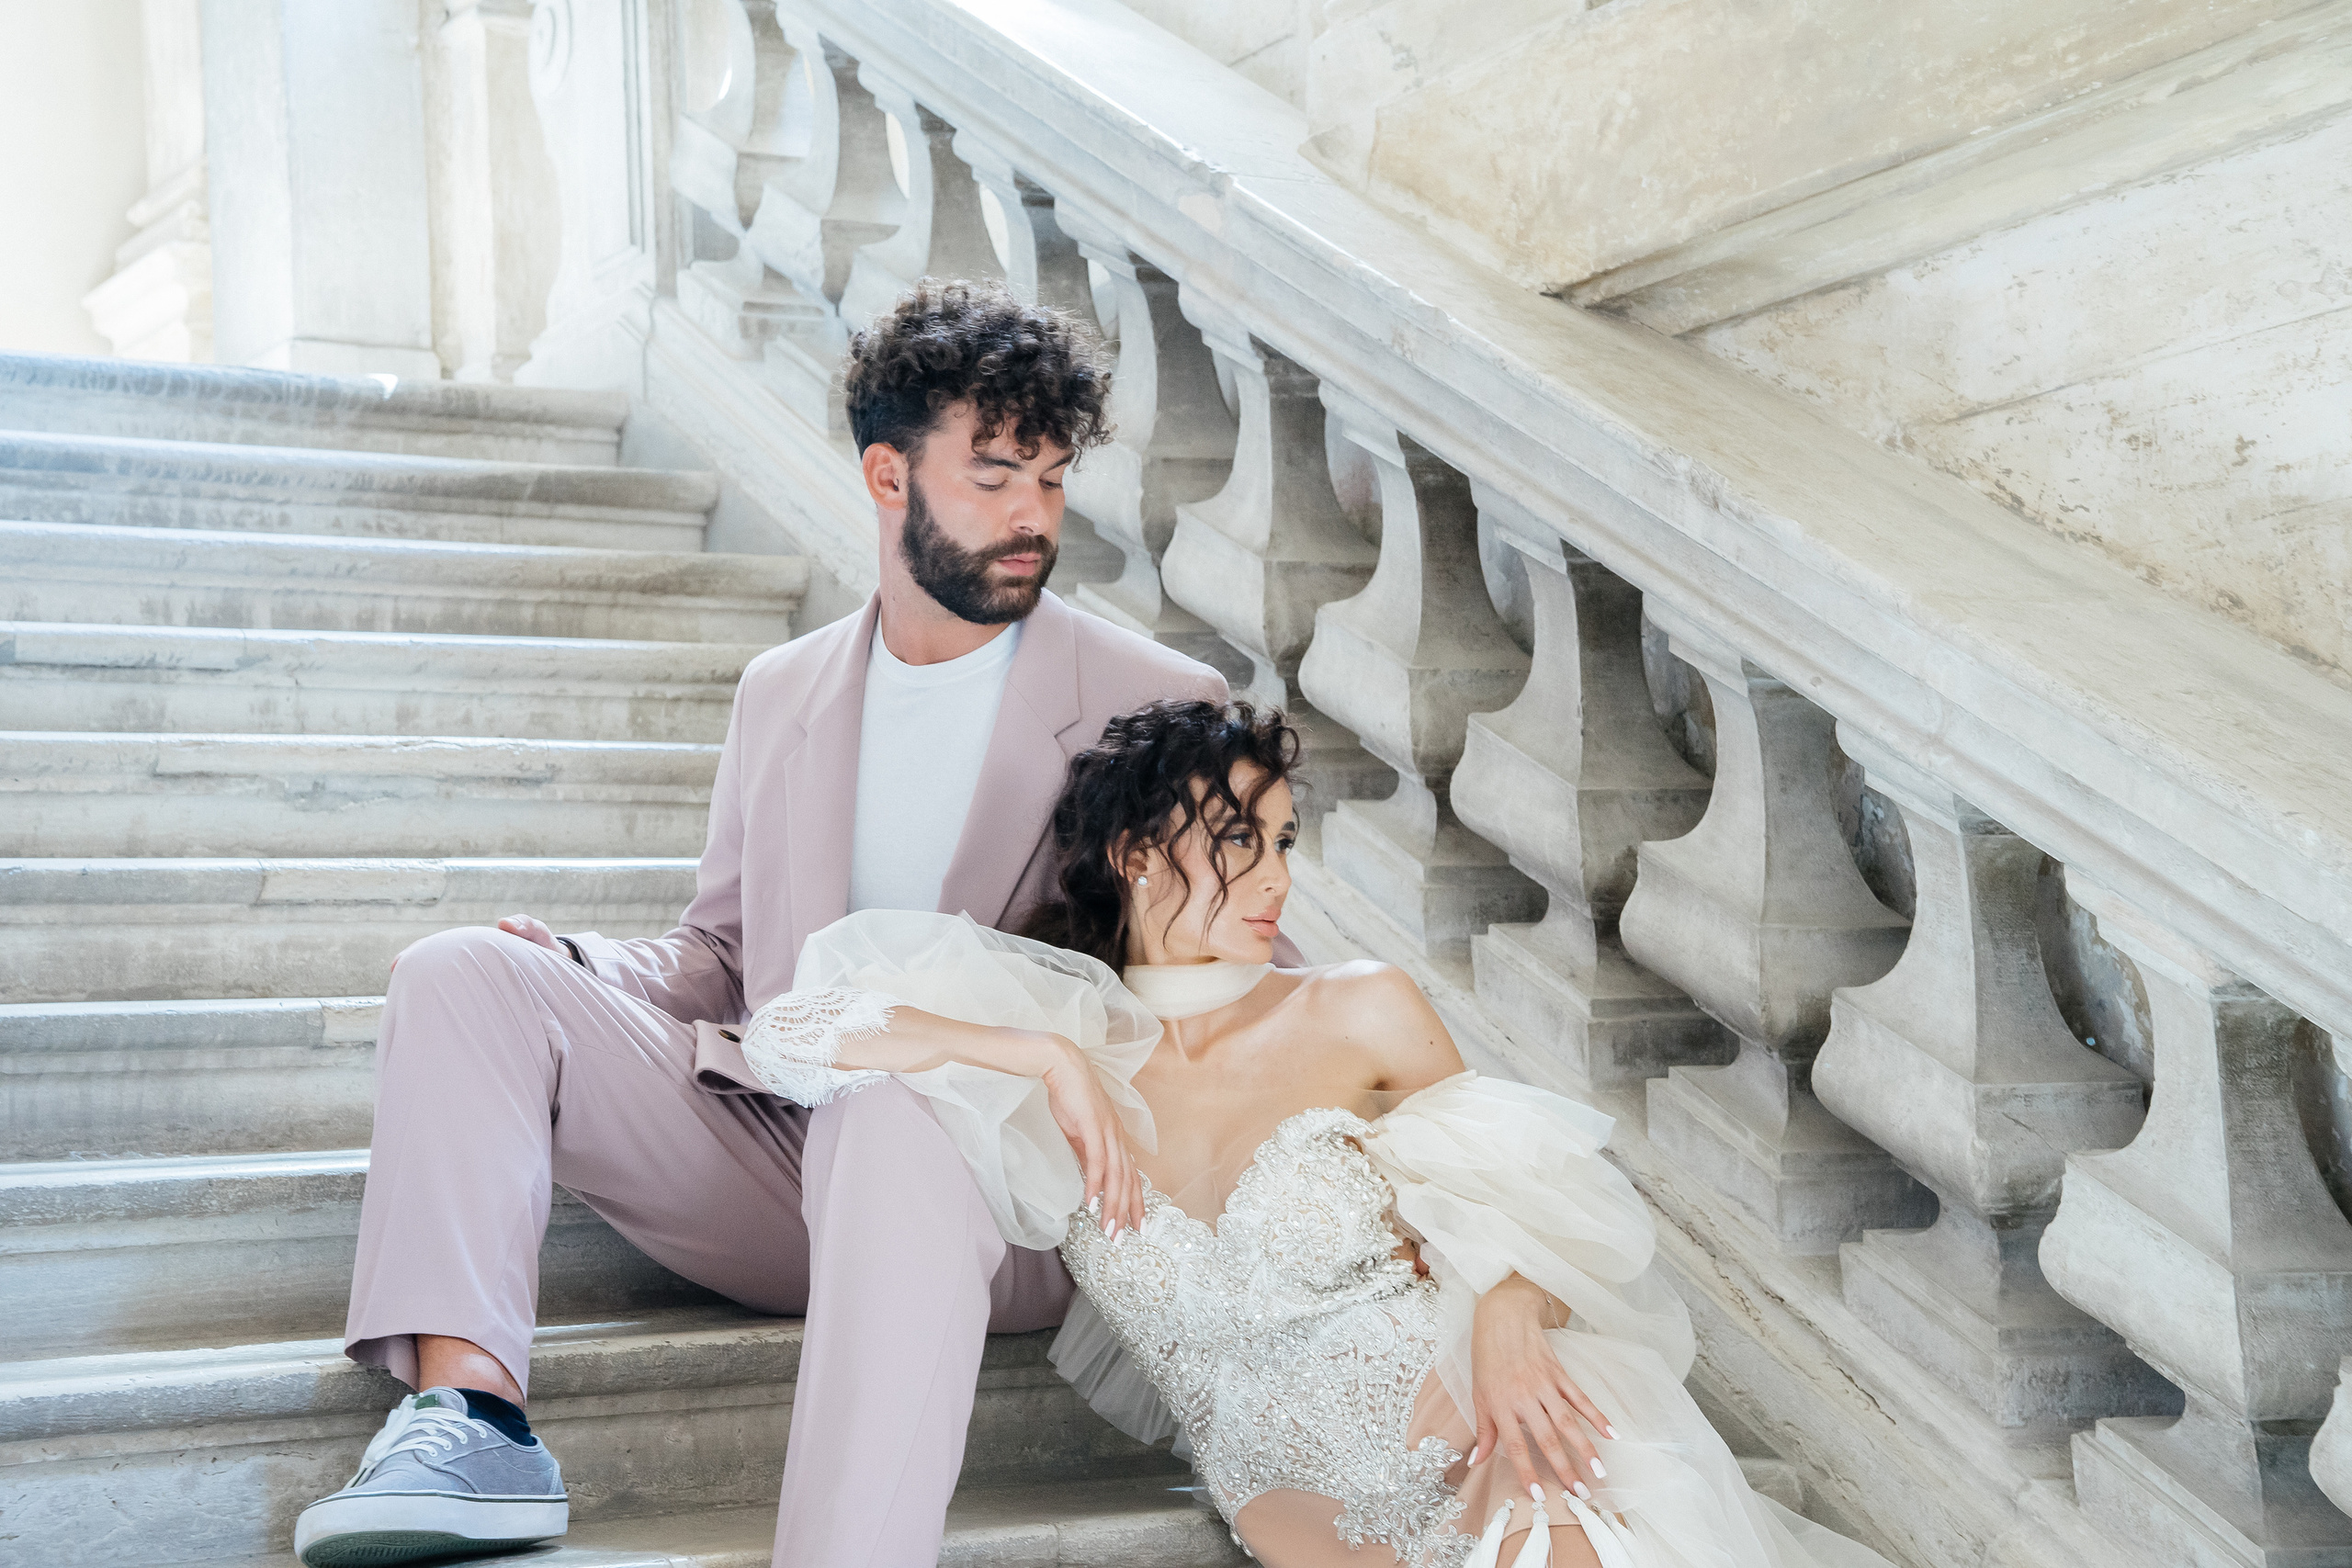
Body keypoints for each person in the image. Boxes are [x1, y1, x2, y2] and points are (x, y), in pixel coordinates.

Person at [294, 280, 1247, 1568]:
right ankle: (472, 1420)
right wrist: (579, 960)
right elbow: (726, 955)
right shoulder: (781, 690)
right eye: (993, 476)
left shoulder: (1159, 700)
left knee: (895, 1109)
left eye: (1052, 478)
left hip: (1006, 1194)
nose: (1034, 515)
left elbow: (1242, 987)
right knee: (461, 972)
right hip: (783, 1148)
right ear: (887, 475)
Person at [726, 700, 1899, 1568]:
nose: (1273, 878)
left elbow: (1533, 1203)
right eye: (1238, 839)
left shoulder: (1357, 1008)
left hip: (1492, 1429)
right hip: (1307, 1512)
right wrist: (1040, 1057)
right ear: (1134, 856)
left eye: (1283, 841)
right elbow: (783, 1033)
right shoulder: (1054, 1037)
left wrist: (1505, 1308)